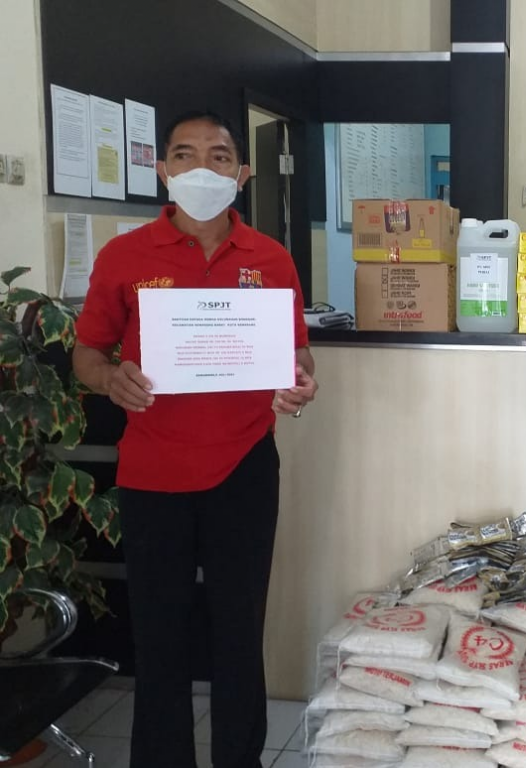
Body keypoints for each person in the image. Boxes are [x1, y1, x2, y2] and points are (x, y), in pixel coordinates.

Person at [72, 111, 318, 768]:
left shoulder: (270, 258)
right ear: (163, 170)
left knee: (239, 633)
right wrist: (110, 379)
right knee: (160, 639)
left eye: (219, 155)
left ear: (242, 173)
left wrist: (299, 380)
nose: (202, 168)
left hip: (244, 467)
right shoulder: (124, 256)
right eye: (185, 154)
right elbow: (87, 352)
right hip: (153, 472)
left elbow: (297, 352)